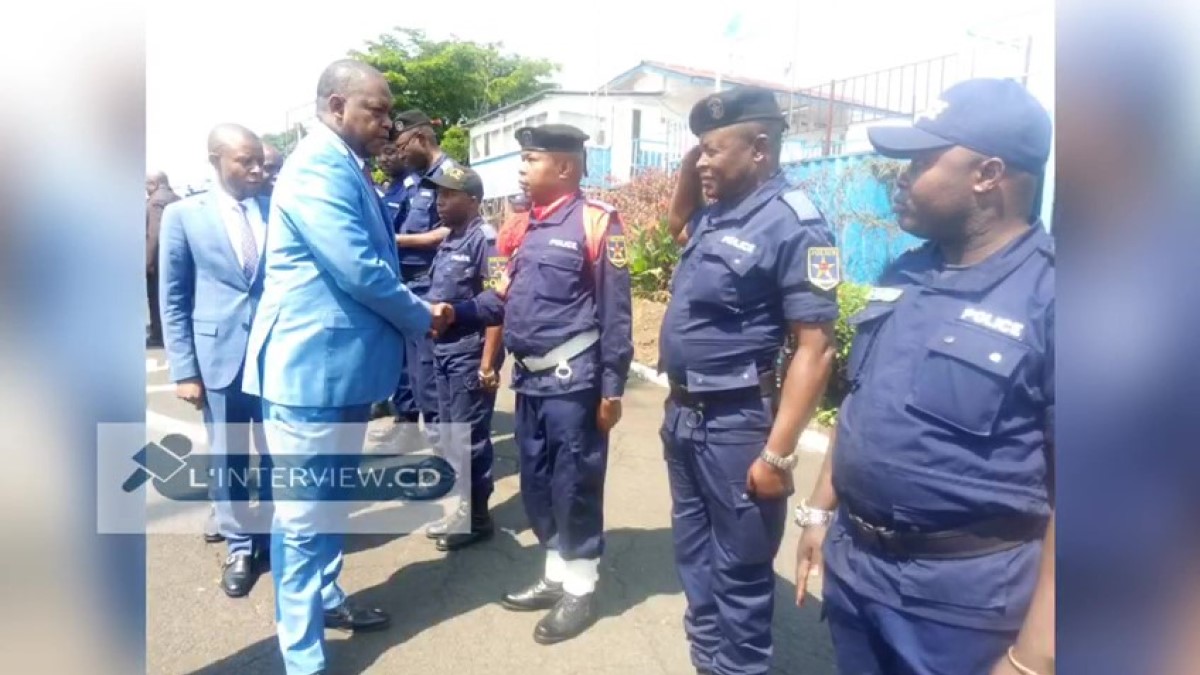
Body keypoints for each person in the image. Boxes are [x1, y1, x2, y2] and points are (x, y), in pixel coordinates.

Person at [793, 78, 1055, 675]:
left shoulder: (1056, 297)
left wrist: (1035, 657)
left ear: (987, 174)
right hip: (857, 574)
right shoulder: (906, 272)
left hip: (961, 608)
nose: (901, 178)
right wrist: (820, 511)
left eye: (919, 162)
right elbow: (861, 406)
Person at [240, 59, 449, 675]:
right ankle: (303, 656)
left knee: (329, 502)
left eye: (389, 111)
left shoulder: (345, 164)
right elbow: (359, 268)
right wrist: (421, 315)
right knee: (304, 517)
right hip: (309, 372)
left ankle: (326, 597)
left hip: (340, 371)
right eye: (376, 110)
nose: (387, 122)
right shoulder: (316, 167)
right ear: (336, 106)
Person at [660, 86, 838, 675]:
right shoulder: (715, 213)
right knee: (695, 559)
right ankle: (706, 662)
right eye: (699, 151)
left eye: (713, 150)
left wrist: (778, 454)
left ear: (759, 148)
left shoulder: (796, 224)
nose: (702, 162)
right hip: (683, 417)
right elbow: (676, 222)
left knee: (738, 574)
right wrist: (696, 160)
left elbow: (816, 348)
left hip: (736, 425)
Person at [446, 123, 633, 644]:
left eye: (531, 160)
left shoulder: (597, 223)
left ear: (565, 167)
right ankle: (555, 575)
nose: (521, 169)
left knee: (574, 484)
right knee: (537, 483)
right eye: (523, 160)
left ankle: (581, 586)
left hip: (575, 383)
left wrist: (612, 388)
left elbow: (617, 314)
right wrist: (453, 312)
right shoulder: (525, 226)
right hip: (529, 381)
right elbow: (500, 298)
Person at [159, 124, 274, 598]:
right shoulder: (184, 215)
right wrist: (185, 369)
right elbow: (173, 297)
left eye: (260, 161)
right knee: (228, 457)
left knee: (276, 452)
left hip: (275, 356)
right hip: (217, 357)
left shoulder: (276, 208)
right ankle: (240, 545)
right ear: (215, 160)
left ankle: (271, 535)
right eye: (246, 161)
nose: (257, 170)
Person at [418, 165, 504, 552]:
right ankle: (465, 509)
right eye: (438, 194)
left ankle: (477, 517)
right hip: (444, 352)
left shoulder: (485, 240)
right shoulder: (450, 239)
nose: (440, 202)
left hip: (469, 355)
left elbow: (498, 303)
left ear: (472, 200)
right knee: (452, 436)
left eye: (449, 195)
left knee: (469, 440)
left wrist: (487, 363)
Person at [391, 109, 456, 447]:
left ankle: (444, 455)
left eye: (403, 147)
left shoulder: (451, 175)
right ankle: (427, 444)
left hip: (435, 286)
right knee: (416, 375)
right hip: (411, 287)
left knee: (432, 378)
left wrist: (396, 241)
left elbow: (451, 231)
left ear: (419, 138)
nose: (400, 154)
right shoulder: (415, 180)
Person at [146, 170, 180, 347]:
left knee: (156, 297)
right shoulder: (177, 198)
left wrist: (148, 262)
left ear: (154, 183)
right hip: (177, 257)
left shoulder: (156, 201)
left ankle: (158, 335)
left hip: (160, 259)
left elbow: (155, 234)